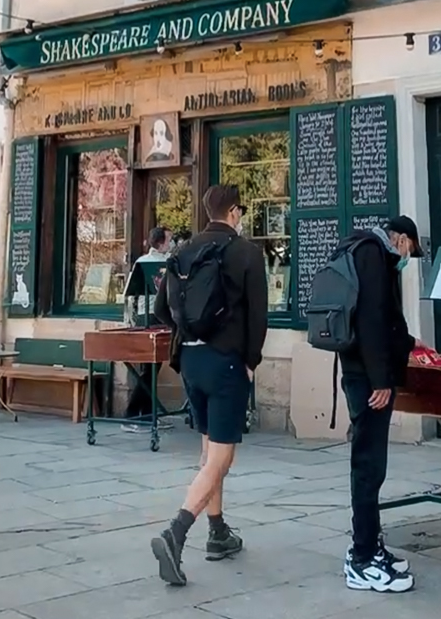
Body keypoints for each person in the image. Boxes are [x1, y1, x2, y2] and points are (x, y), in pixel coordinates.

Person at [151, 183, 268, 586]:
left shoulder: (183, 251)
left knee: (208, 449)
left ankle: (217, 531)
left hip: (191, 361)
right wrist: (251, 361)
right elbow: (258, 316)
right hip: (227, 363)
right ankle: (177, 532)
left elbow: (161, 309)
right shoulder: (247, 253)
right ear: (234, 212)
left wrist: (191, 331)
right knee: (222, 458)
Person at [340, 215, 423, 594]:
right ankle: (361, 559)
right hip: (366, 379)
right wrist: (381, 380)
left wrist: (410, 344)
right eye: (409, 250)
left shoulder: (364, 250)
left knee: (371, 466)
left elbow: (388, 321)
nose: (407, 258)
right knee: (369, 466)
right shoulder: (373, 255)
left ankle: (372, 546)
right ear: (401, 239)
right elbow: (372, 321)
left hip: (359, 371)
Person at [122, 226, 174, 433]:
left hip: (158, 315)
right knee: (149, 370)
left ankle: (147, 414)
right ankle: (132, 415)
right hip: (150, 316)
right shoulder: (146, 262)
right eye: (169, 240)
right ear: (160, 243)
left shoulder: (166, 261)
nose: (171, 243)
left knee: (152, 369)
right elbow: (131, 292)